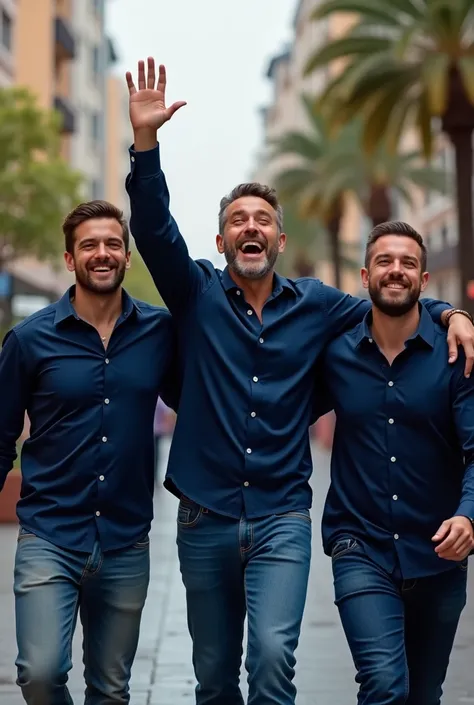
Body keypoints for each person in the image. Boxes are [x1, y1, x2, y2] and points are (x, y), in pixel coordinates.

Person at [124, 57, 474, 705]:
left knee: (272, 658)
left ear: (280, 238)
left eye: (262, 219)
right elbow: (151, 228)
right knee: (212, 675)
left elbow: (392, 300)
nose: (250, 226)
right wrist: (146, 144)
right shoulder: (196, 292)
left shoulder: (319, 304)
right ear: (222, 236)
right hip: (202, 512)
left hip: (284, 512)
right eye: (239, 219)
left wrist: (452, 313)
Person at [0, 200, 178, 705]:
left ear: (126, 256)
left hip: (126, 540)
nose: (102, 254)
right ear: (69, 258)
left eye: (112, 244)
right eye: (89, 246)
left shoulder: (159, 333)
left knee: (111, 688)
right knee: (39, 672)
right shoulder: (30, 340)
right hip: (48, 535)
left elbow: (200, 399)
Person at [317, 221, 474, 705]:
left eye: (408, 263)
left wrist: (469, 514)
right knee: (384, 684)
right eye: (385, 261)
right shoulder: (334, 354)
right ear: (365, 276)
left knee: (424, 694)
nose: (396, 271)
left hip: (438, 555)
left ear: (424, 281)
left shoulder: (457, 357)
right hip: (359, 545)